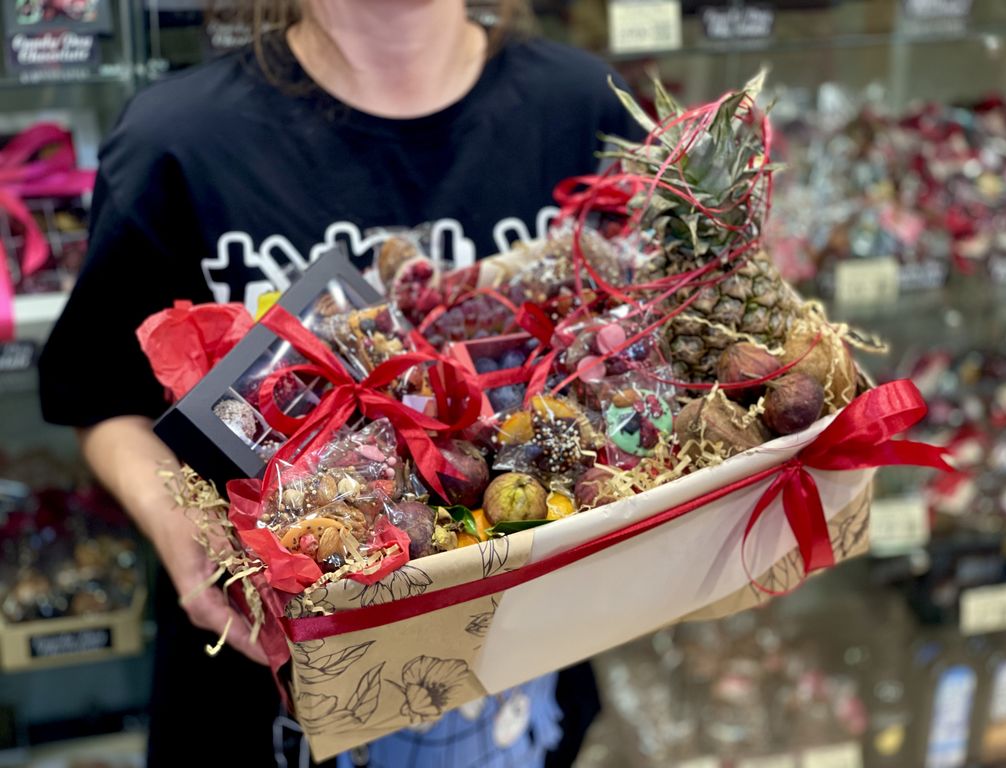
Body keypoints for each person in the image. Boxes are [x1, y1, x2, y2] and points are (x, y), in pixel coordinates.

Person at [39, 1, 640, 765]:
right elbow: (102, 395)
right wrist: (178, 527)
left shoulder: (586, 110)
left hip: (520, 697)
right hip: (262, 704)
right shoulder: (180, 141)